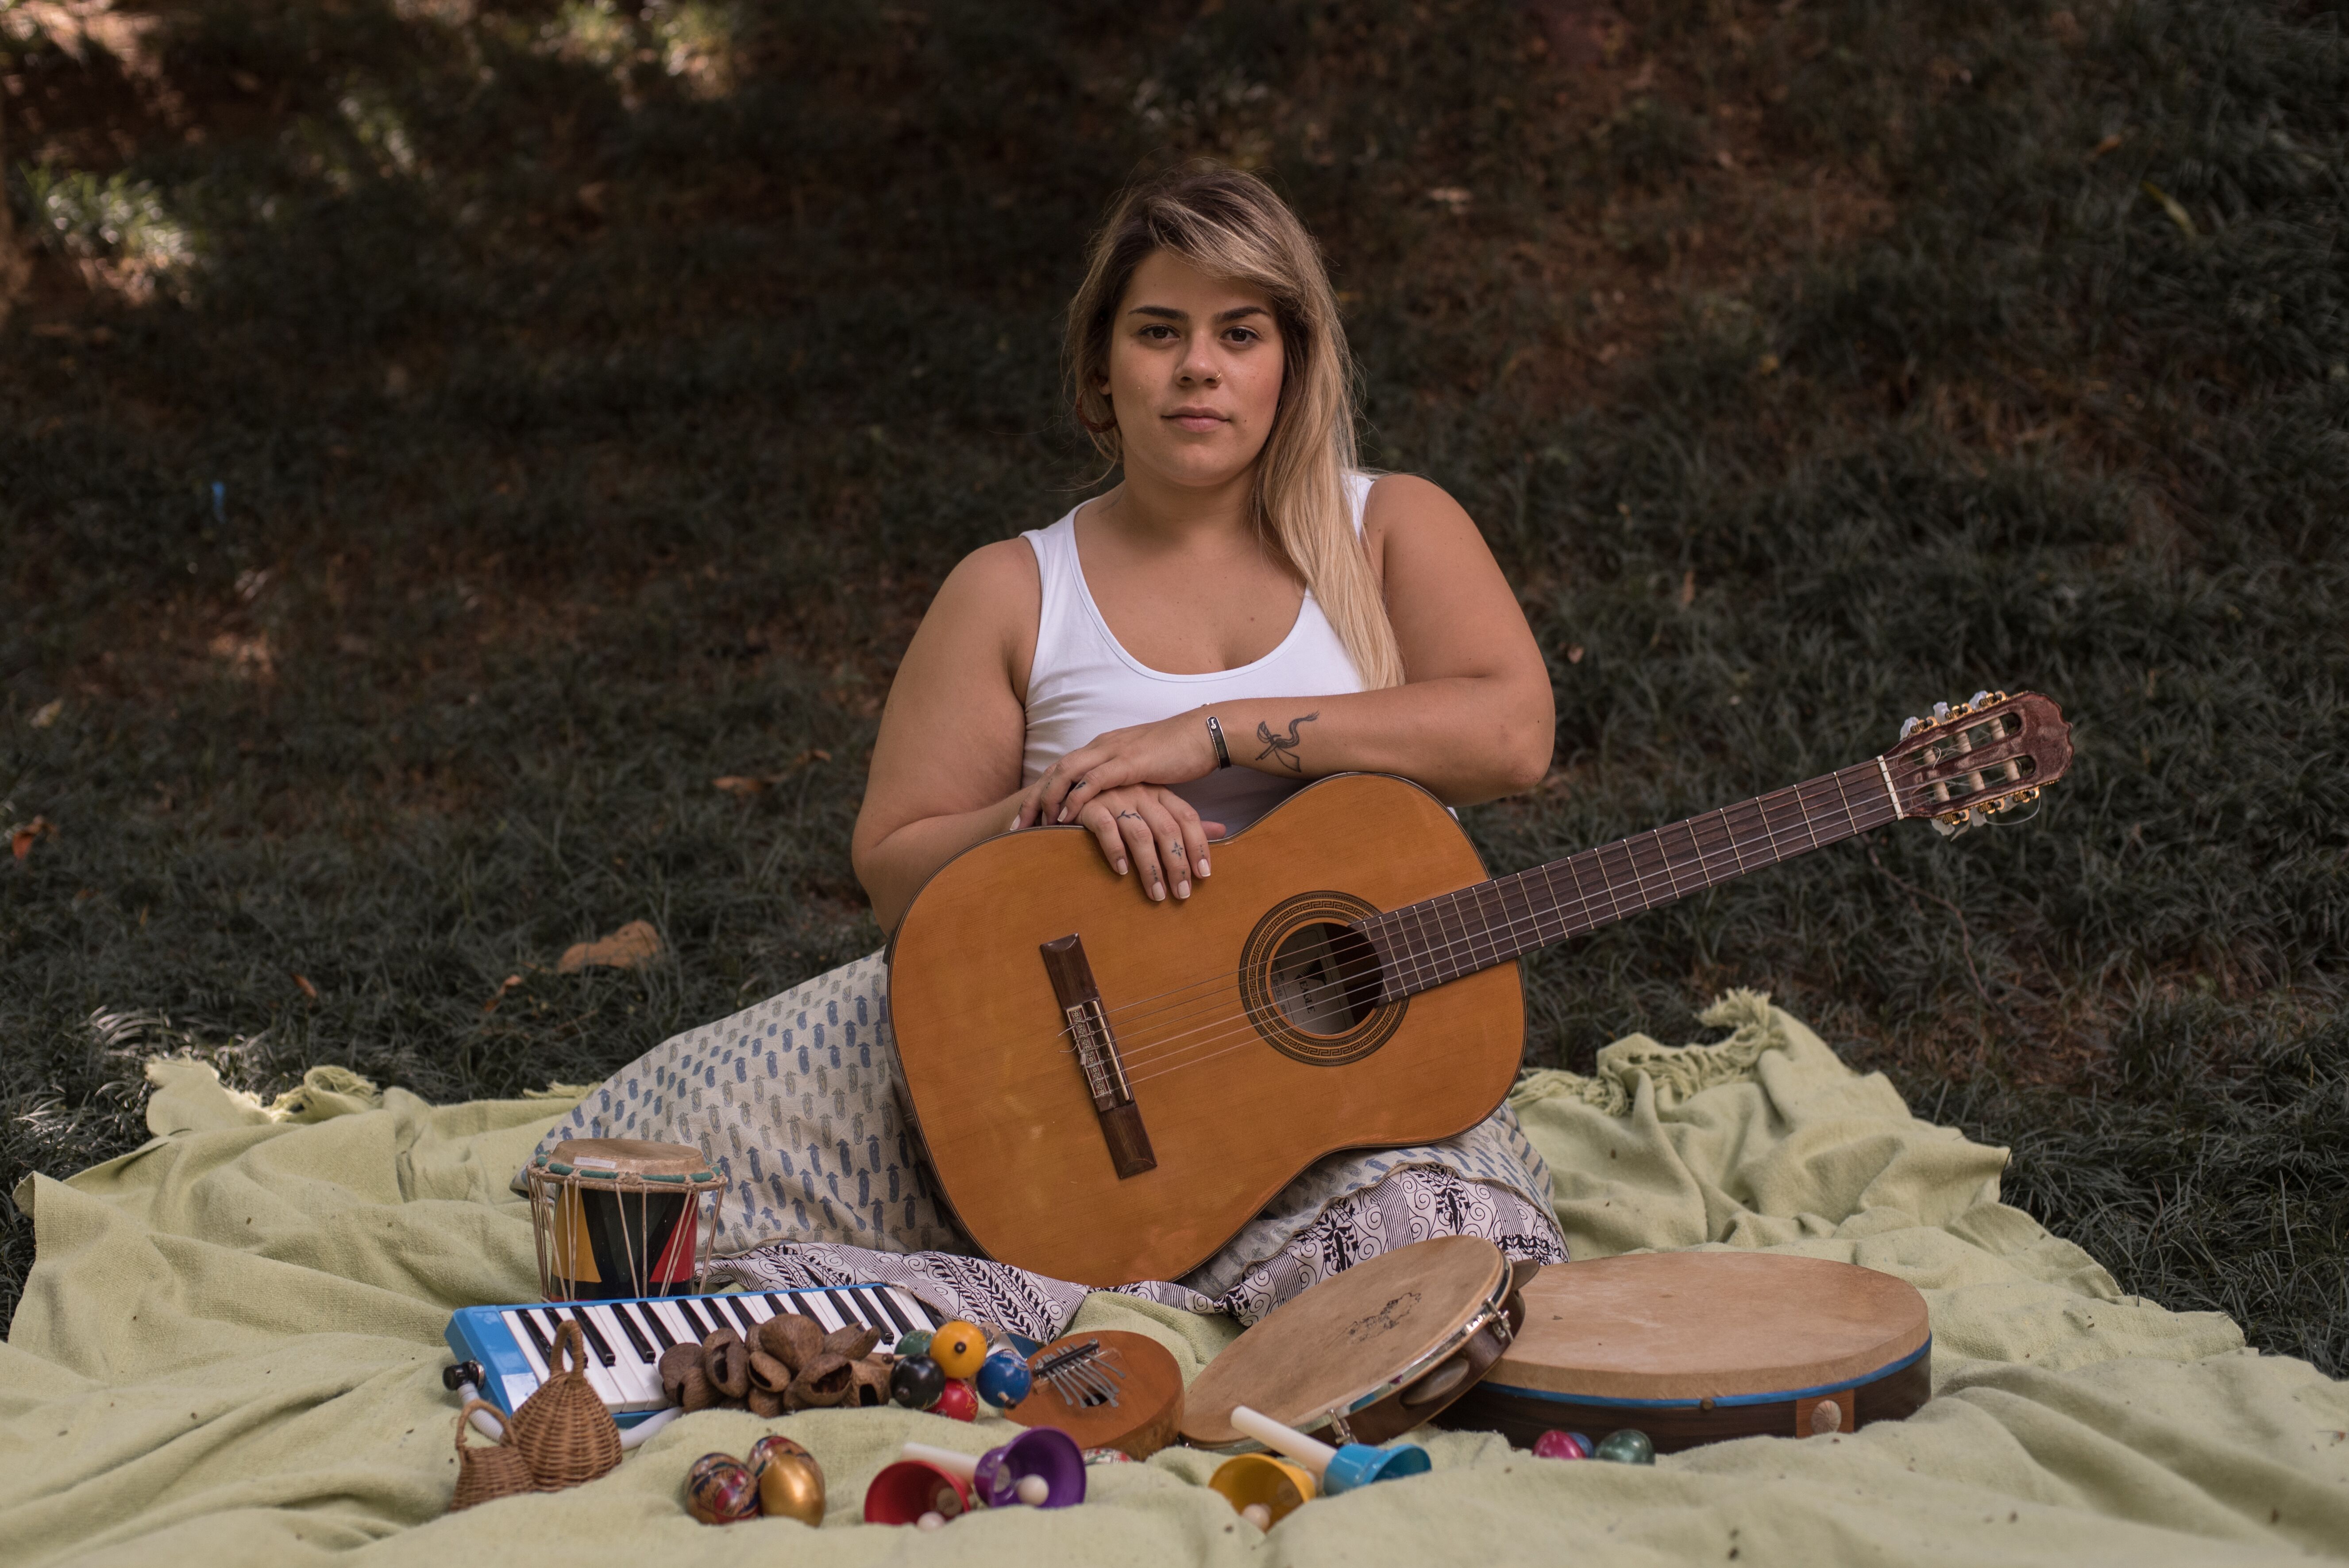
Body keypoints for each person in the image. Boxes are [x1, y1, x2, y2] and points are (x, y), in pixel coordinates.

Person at [528, 164, 1567, 1335]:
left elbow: (1510, 734)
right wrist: (1050, 818)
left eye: (1238, 333)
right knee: (626, 1175)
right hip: (1031, 1044)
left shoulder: (1390, 527)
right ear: (1100, 368)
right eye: (1157, 332)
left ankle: (1108, 1284)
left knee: (1443, 1264)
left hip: (1305, 1079)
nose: (1196, 368)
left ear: (1294, 358)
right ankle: (1069, 1273)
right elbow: (893, 869)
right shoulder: (1015, 588)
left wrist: (1211, 736)